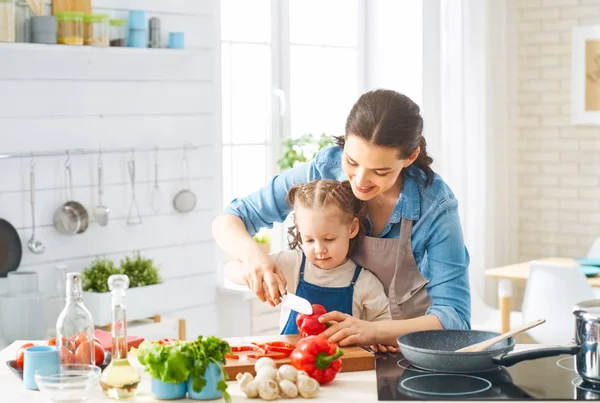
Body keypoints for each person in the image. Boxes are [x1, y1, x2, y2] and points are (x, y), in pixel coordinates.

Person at [212, 88, 471, 351]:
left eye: (380, 171)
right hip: (336, 353)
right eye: (352, 161)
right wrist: (256, 257)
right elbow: (230, 219)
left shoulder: (434, 205)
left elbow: (455, 318)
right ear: (345, 140)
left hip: (406, 352)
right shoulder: (323, 170)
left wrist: (374, 331)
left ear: (410, 157)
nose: (359, 180)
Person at [224, 179, 391, 335]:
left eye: (329, 239)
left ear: (352, 228)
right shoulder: (292, 264)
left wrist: (378, 339)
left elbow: (384, 324)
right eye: (309, 240)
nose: (319, 249)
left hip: (345, 365)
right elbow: (230, 269)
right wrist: (256, 275)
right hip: (290, 364)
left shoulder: (365, 282)